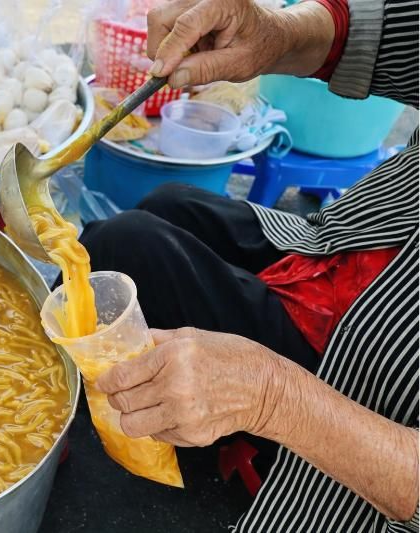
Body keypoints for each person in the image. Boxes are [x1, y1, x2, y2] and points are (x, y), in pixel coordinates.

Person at [83, 0, 419, 530]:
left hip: (380, 369)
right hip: (364, 240)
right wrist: (280, 33)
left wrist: (272, 398)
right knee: (170, 202)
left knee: (129, 244)